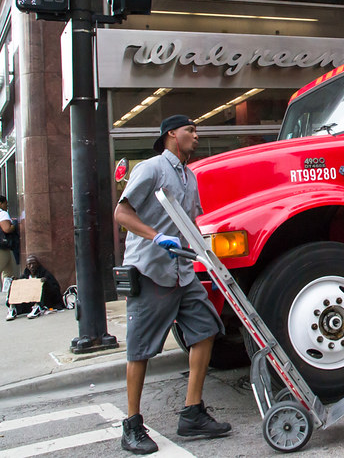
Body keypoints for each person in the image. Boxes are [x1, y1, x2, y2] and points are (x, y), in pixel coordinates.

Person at [113, 114, 231, 454]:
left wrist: (205, 251)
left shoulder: (189, 177)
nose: (196, 136)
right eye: (189, 131)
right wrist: (156, 237)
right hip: (150, 270)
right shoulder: (150, 169)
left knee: (206, 327)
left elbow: (191, 222)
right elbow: (122, 213)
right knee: (140, 349)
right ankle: (132, 424)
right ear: (170, 136)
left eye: (196, 130)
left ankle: (192, 412)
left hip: (182, 271)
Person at [6, 254, 64, 321]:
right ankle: (12, 308)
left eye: (34, 264)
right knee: (15, 285)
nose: (32, 266)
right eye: (29, 264)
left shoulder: (45, 274)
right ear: (27, 266)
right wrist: (15, 282)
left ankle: (37, 307)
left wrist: (46, 282)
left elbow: (55, 290)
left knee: (41, 285)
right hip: (28, 302)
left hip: (43, 301)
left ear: (38, 264)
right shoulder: (25, 276)